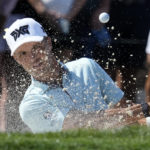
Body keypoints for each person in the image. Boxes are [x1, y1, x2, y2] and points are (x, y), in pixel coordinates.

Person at [5, 18, 150, 133]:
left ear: (48, 43)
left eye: (37, 47)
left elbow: (125, 110)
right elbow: (84, 124)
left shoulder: (87, 66)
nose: (33, 58)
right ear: (17, 59)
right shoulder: (30, 105)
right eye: (23, 53)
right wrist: (145, 109)